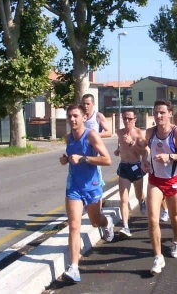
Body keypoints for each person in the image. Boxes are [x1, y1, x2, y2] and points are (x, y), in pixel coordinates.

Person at [139, 100, 177, 275]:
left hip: (173, 180)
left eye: (162, 112)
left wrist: (170, 156)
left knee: (174, 218)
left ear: (170, 114)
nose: (158, 116)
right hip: (155, 180)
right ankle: (158, 257)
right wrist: (144, 159)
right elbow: (144, 148)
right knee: (153, 219)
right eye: (156, 112)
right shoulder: (150, 132)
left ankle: (176, 240)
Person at [59, 104, 113, 283]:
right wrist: (65, 159)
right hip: (74, 187)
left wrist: (83, 159)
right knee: (74, 225)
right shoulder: (68, 138)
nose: (72, 119)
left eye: (75, 116)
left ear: (84, 118)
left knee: (95, 221)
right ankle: (74, 268)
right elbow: (70, 158)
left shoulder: (91, 135)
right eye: (69, 116)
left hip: (92, 186)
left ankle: (107, 222)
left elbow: (107, 160)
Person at [114, 109, 147, 237]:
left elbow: (144, 152)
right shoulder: (119, 132)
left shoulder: (139, 134)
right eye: (124, 118)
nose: (126, 121)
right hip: (124, 167)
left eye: (129, 118)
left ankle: (142, 201)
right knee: (123, 199)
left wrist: (131, 143)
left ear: (134, 120)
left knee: (139, 194)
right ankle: (125, 227)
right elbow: (120, 143)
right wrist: (118, 149)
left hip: (135, 167)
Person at [82, 93, 112, 187]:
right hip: (83, 149)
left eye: (88, 104)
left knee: (95, 175)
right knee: (83, 175)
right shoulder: (80, 117)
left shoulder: (98, 116)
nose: (85, 106)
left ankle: (98, 198)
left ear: (93, 104)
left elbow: (109, 132)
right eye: (83, 103)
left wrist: (94, 136)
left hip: (96, 150)